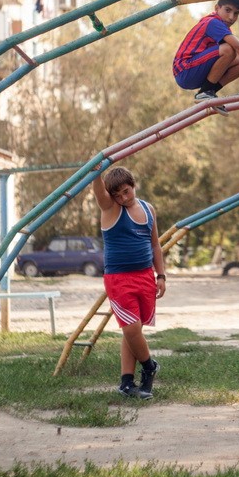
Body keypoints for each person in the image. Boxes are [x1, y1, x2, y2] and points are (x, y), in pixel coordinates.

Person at [92, 166, 166, 399]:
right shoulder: (111, 208)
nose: (124, 197)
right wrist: (95, 174)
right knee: (131, 328)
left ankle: (126, 383)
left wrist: (161, 275)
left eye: (127, 191)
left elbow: (155, 245)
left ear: (133, 185)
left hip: (145, 276)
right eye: (118, 195)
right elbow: (100, 195)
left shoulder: (148, 209)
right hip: (118, 278)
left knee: (132, 331)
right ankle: (149, 366)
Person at [172, 0, 239, 114]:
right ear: (217, 8)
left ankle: (207, 91)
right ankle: (205, 92)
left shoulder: (224, 30)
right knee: (230, 49)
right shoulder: (213, 22)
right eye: (227, 10)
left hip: (195, 72)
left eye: (236, 13)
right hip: (185, 70)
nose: (231, 17)